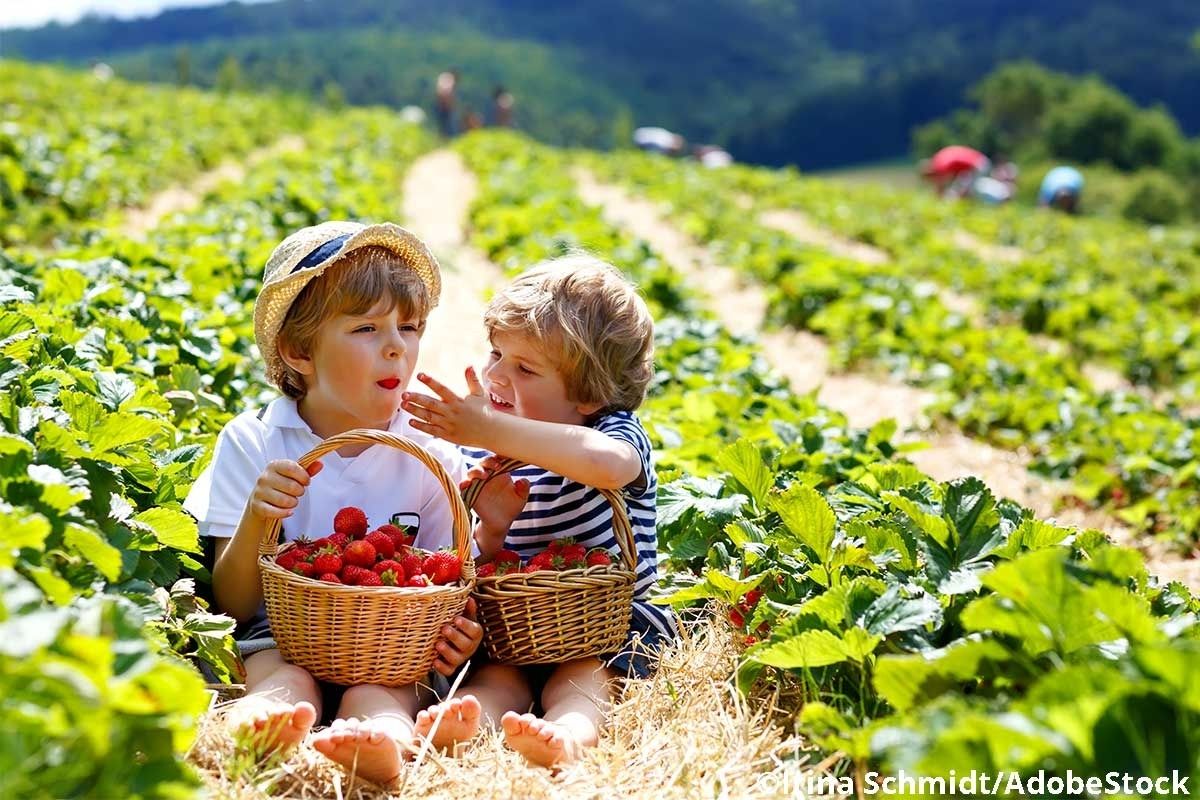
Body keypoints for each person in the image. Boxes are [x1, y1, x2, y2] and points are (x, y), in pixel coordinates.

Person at [183, 221, 517, 785]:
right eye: (366, 328)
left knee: (383, 694)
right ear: (298, 351)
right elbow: (234, 607)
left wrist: (460, 627)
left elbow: (445, 581)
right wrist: (259, 519)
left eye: (408, 327)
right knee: (279, 676)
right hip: (282, 637)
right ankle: (261, 724)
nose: (395, 346)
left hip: (394, 648)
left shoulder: (430, 451)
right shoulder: (256, 442)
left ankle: (380, 742)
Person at [400, 255, 679, 768]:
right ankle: (468, 723)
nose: (496, 375)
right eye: (496, 354)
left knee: (583, 678)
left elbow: (609, 466)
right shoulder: (492, 459)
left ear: (591, 394)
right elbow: (480, 558)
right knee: (495, 679)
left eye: (525, 368)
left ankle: (569, 732)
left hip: (602, 627)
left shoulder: (613, 434)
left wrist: (489, 430)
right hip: (516, 630)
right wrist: (493, 526)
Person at [434, 69, 458, 137]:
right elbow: (448, 93)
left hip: (439, 104)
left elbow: (438, 91)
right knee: (448, 125)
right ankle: (446, 138)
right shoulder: (450, 79)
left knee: (441, 125)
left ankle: (442, 138)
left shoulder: (443, 77)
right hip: (445, 106)